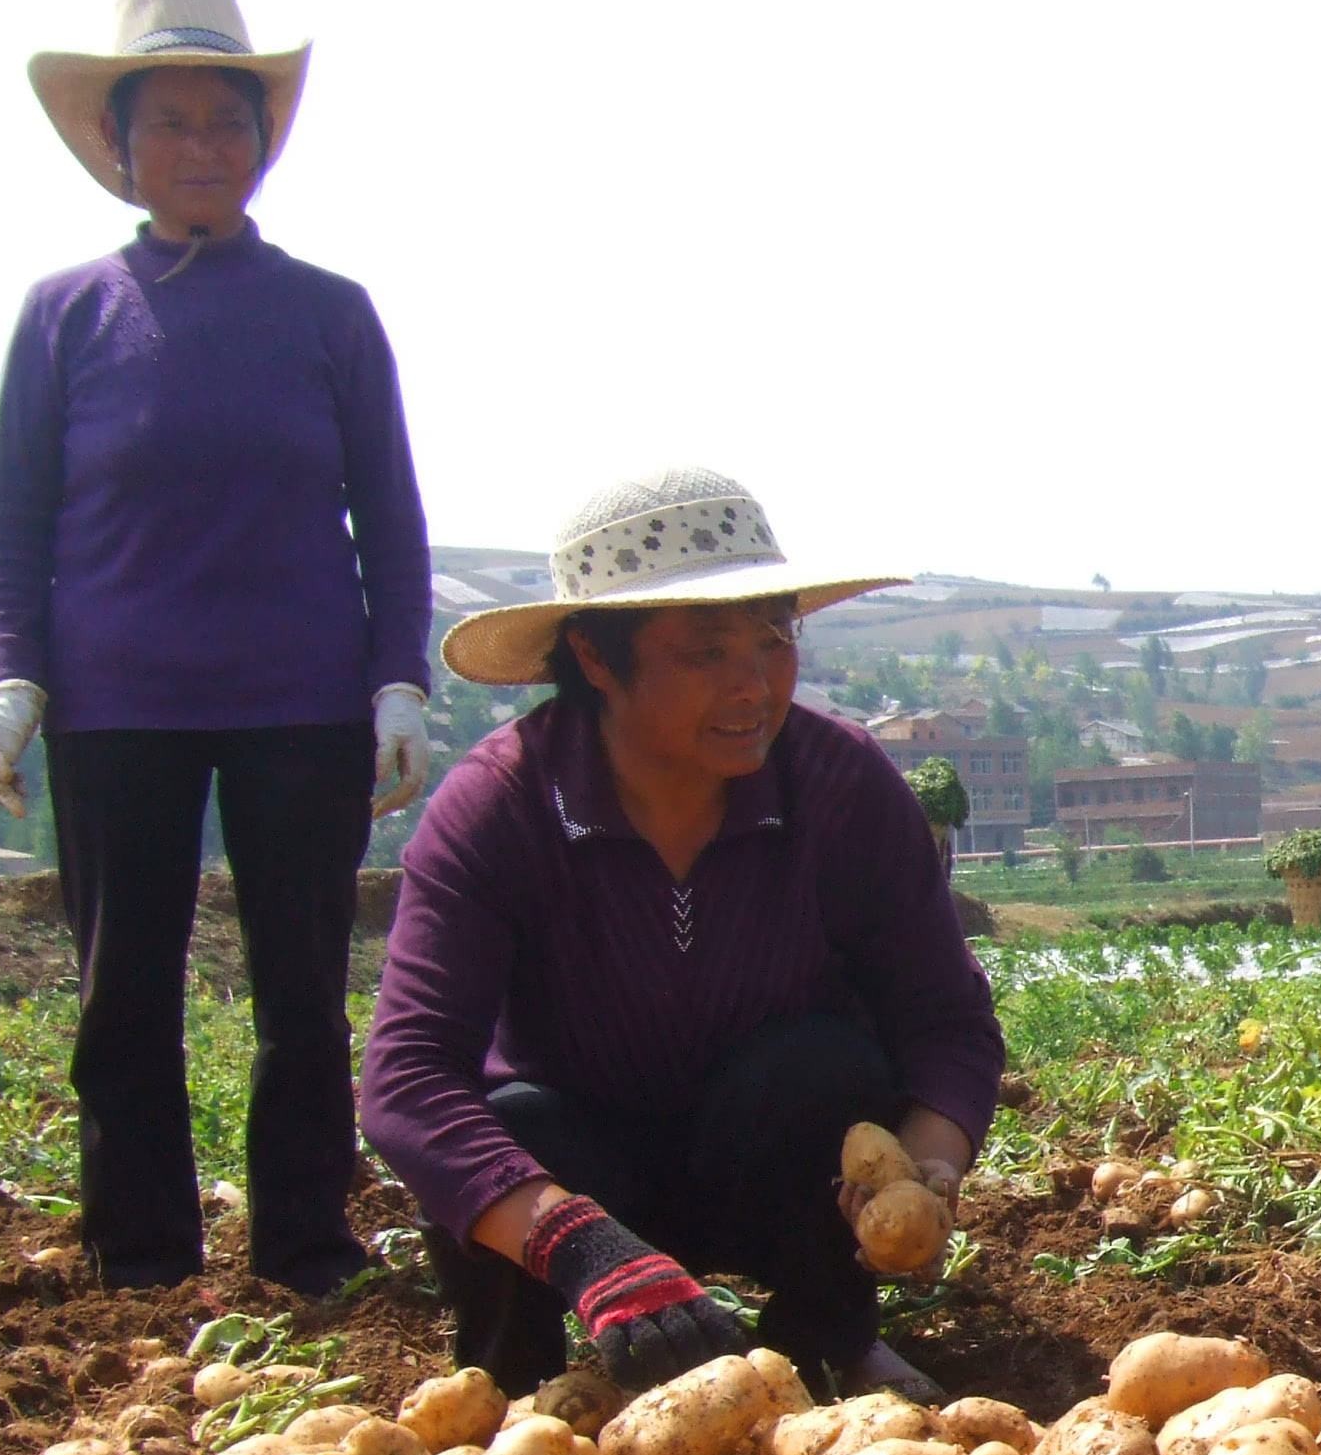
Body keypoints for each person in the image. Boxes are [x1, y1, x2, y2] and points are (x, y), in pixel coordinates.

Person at [0, 0, 433, 1296]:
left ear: (259, 143)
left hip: (300, 701)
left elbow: (389, 519)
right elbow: (15, 517)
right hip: (117, 706)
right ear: (120, 147)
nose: (199, 150)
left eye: (225, 123)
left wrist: (394, 681)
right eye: (167, 124)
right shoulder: (66, 316)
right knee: (126, 996)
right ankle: (143, 1257)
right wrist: (15, 677)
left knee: (300, 991)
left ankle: (305, 1242)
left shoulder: (328, 314)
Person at [358, 469, 1004, 1396]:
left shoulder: (838, 783)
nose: (754, 685)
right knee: (508, 1124)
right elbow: (407, 1080)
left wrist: (925, 1172)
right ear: (593, 656)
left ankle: (827, 1343)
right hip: (580, 1174)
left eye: (774, 639)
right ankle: (513, 1392)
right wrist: (582, 1247)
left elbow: (947, 1021)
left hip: (773, 1169)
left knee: (823, 1069)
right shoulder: (500, 807)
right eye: (706, 652)